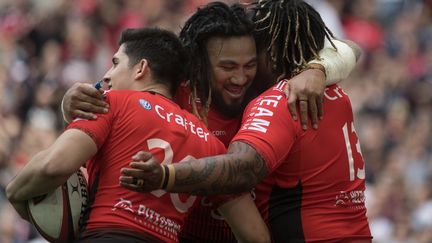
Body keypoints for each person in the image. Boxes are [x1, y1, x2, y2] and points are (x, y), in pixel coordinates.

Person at [62, 2, 361, 242]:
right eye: (228, 67)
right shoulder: (171, 87)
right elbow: (110, 93)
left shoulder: (268, 93)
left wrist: (316, 68)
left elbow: (350, 47)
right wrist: (70, 102)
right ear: (198, 63)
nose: (240, 78)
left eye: (249, 65)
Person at [5, 27, 270, 243]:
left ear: (141, 68)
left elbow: (54, 166)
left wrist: (15, 191)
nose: (107, 75)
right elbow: (255, 236)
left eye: (116, 63)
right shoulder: (211, 143)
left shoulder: (112, 102)